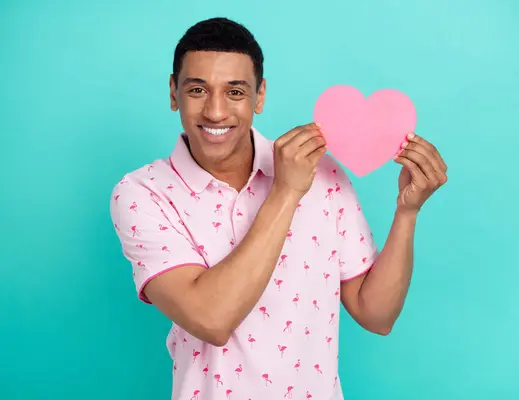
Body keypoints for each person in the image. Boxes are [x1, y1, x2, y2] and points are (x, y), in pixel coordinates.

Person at [110, 17, 447, 400]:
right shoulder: (143, 193)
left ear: (260, 95)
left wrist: (407, 213)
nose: (216, 112)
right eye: (198, 90)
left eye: (235, 92)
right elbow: (212, 319)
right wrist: (286, 192)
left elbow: (377, 315)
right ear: (173, 93)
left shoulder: (324, 174)